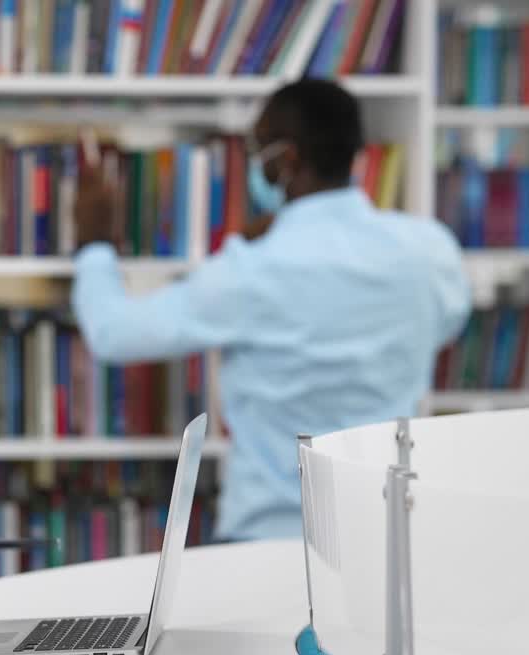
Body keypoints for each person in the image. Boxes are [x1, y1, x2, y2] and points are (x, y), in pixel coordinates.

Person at [71, 77, 471, 542]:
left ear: (288, 161)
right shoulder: (429, 252)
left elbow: (114, 333)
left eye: (258, 151)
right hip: (385, 535)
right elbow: (445, 324)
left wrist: (95, 243)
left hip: (270, 540)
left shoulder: (250, 271)